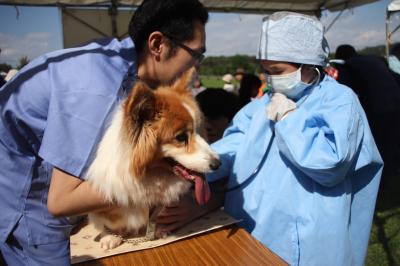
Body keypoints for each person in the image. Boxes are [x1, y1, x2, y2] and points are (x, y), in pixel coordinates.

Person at [156, 12, 383, 266]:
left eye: (276, 71)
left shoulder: (339, 101)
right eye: (265, 71)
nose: (270, 79)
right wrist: (194, 164)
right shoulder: (261, 105)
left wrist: (290, 120)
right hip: (254, 228)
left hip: (309, 240)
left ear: (308, 64)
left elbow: (330, 165)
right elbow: (233, 146)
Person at [0, 0, 208, 264]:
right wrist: (156, 181)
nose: (197, 67)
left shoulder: (120, 61)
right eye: (196, 55)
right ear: (158, 45)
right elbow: (61, 201)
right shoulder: (101, 89)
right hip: (23, 195)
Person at [335, 44, 400, 185]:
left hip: (379, 107)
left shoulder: (350, 65)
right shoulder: (374, 60)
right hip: (395, 101)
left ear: (341, 57)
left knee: (378, 144)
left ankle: (381, 180)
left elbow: (346, 90)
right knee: (392, 141)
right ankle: (392, 174)